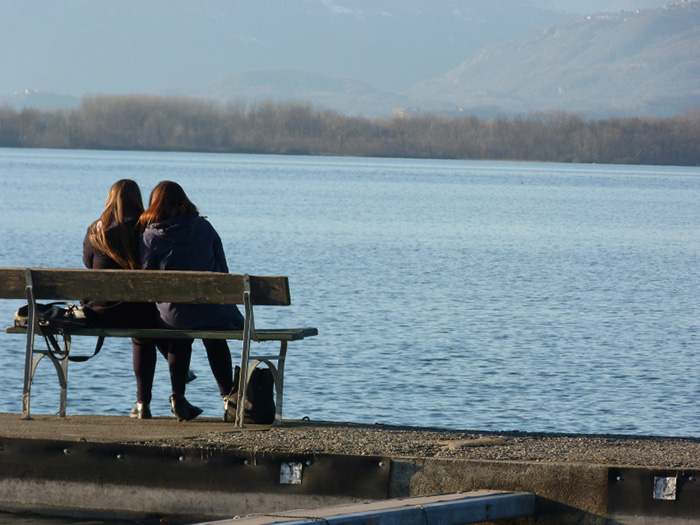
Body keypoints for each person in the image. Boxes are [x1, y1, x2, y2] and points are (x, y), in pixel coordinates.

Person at [82, 179, 195, 420]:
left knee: (144, 325)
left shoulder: (95, 232)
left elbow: (88, 265)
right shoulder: (146, 229)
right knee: (148, 325)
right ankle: (148, 400)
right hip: (138, 311)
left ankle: (143, 405)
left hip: (99, 312)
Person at [139, 180, 243, 422]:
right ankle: (228, 399)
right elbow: (223, 272)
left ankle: (178, 396)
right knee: (215, 338)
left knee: (177, 333)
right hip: (211, 312)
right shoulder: (205, 228)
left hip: (174, 316)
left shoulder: (149, 236)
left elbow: (146, 280)